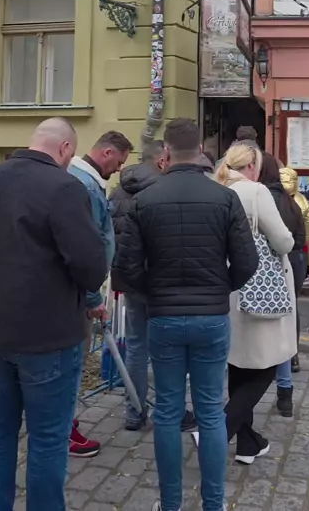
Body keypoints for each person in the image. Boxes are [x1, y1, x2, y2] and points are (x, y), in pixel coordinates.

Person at [113, 118, 258, 511]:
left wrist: (154, 293)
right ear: (202, 152)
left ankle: (171, 503)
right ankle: (214, 503)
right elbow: (248, 262)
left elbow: (126, 267)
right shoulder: (224, 198)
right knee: (210, 412)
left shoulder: (145, 200)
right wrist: (219, 289)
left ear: (166, 153)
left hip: (164, 318)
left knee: (167, 412)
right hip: (211, 317)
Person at [0, 118, 107, 511]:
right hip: (49, 336)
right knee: (48, 440)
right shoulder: (64, 187)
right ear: (66, 149)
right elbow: (91, 266)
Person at [214, 144, 296, 463]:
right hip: (259, 290)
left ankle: (248, 443)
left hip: (228, 289)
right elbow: (283, 240)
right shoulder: (255, 191)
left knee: (239, 363)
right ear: (251, 166)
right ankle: (218, 431)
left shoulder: (218, 188)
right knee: (268, 364)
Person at [109, 139, 197, 433]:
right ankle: (173, 411)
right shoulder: (163, 191)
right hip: (163, 283)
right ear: (162, 162)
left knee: (136, 346)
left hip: (130, 281)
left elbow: (111, 237)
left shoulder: (119, 190)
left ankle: (134, 411)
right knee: (167, 347)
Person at [67, 130, 133, 456]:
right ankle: (64, 428)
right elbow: (84, 246)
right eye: (119, 162)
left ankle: (63, 421)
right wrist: (93, 297)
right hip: (79, 293)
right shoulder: (85, 185)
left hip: (79, 289)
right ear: (107, 153)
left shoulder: (84, 180)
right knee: (72, 362)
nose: (119, 169)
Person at [259, 153, 307, 416]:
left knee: (261, 325)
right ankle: (285, 390)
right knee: (286, 320)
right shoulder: (293, 202)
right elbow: (301, 237)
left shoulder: (260, 200)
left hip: (267, 267)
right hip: (292, 263)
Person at [280, 166, 309, 293]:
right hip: (297, 253)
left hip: (275, 252)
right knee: (293, 293)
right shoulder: (302, 201)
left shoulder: (269, 197)